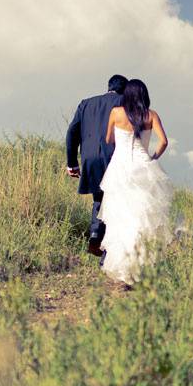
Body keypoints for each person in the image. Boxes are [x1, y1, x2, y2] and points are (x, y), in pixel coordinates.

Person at [98, 78, 174, 284]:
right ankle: (142, 265)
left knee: (122, 215)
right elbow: (164, 142)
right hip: (142, 166)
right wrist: (153, 157)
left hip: (120, 168)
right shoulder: (151, 115)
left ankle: (123, 267)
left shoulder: (116, 113)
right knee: (142, 216)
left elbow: (108, 139)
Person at [65, 74, 128, 258]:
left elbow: (72, 132)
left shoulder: (86, 103)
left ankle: (95, 234)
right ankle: (107, 247)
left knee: (99, 197)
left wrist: (72, 163)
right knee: (116, 201)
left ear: (108, 87)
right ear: (124, 89)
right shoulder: (124, 102)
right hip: (114, 157)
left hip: (89, 157)